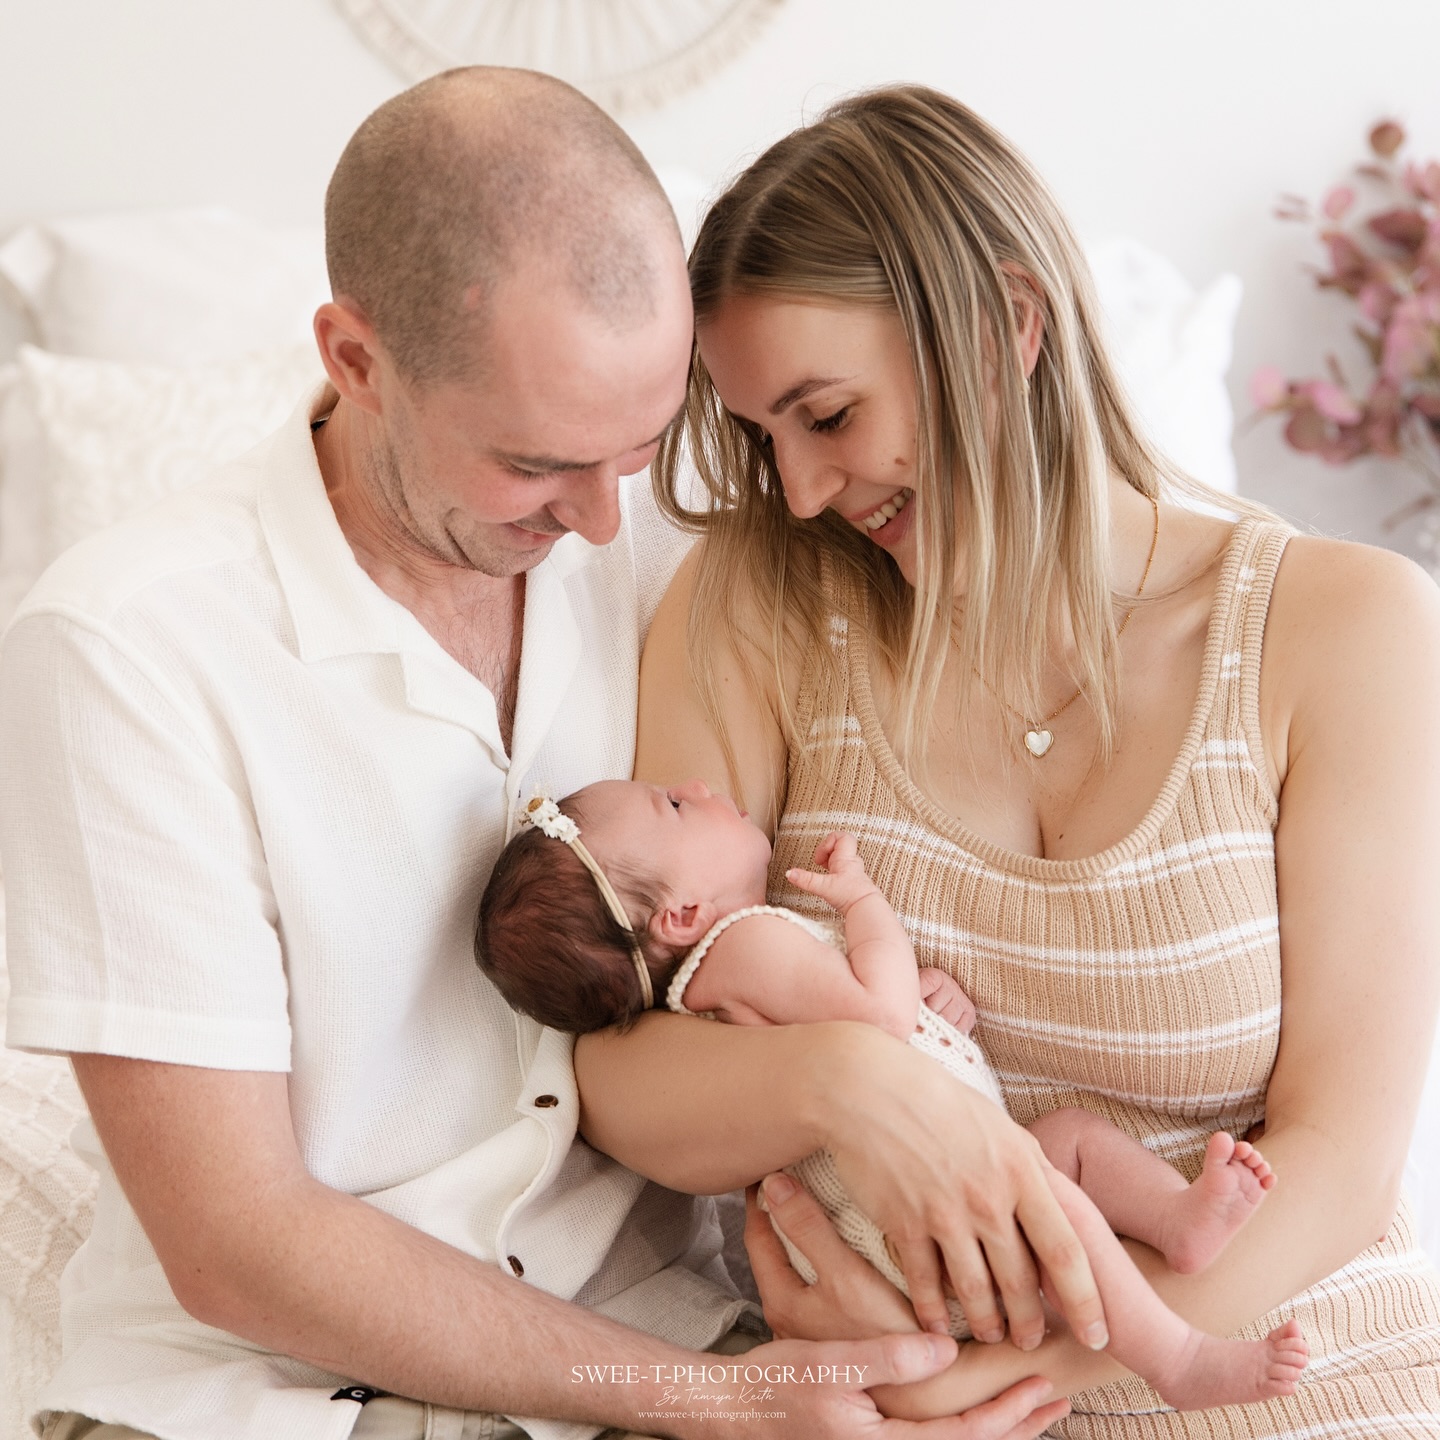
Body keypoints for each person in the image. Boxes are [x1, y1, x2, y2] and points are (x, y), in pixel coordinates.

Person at [0, 68, 1091, 1440]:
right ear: (356, 360)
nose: (597, 520)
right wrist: (713, 1405)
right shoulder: (129, 646)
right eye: (532, 464)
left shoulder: (678, 555)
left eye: (638, 446)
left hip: (681, 1330)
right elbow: (237, 1242)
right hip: (280, 1396)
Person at [593, 83, 1440, 1435]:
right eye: (762, 436)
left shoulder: (1345, 626)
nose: (800, 491)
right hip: (891, 1393)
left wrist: (1002, 1382)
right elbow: (624, 1072)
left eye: (828, 416)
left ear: (1006, 327)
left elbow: (1340, 1163)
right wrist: (852, 1086)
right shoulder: (753, 605)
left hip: (1301, 1372)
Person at [475, 778, 1308, 1412]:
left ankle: (1173, 1222)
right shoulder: (748, 943)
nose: (695, 785)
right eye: (674, 805)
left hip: (904, 1229)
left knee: (1069, 1139)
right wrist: (866, 905)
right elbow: (876, 1017)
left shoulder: (725, 977)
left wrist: (929, 1001)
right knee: (1052, 1188)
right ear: (683, 915)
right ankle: (1176, 1357)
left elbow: (865, 1017)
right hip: (906, 1222)